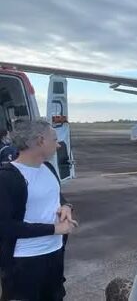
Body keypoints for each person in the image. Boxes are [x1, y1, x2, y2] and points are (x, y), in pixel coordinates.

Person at [0, 119, 77, 301]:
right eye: (55, 139)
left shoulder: (48, 167)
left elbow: (55, 195)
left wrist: (66, 206)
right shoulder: (7, 178)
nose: (58, 145)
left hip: (55, 254)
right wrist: (54, 229)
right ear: (41, 141)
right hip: (24, 262)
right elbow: (6, 227)